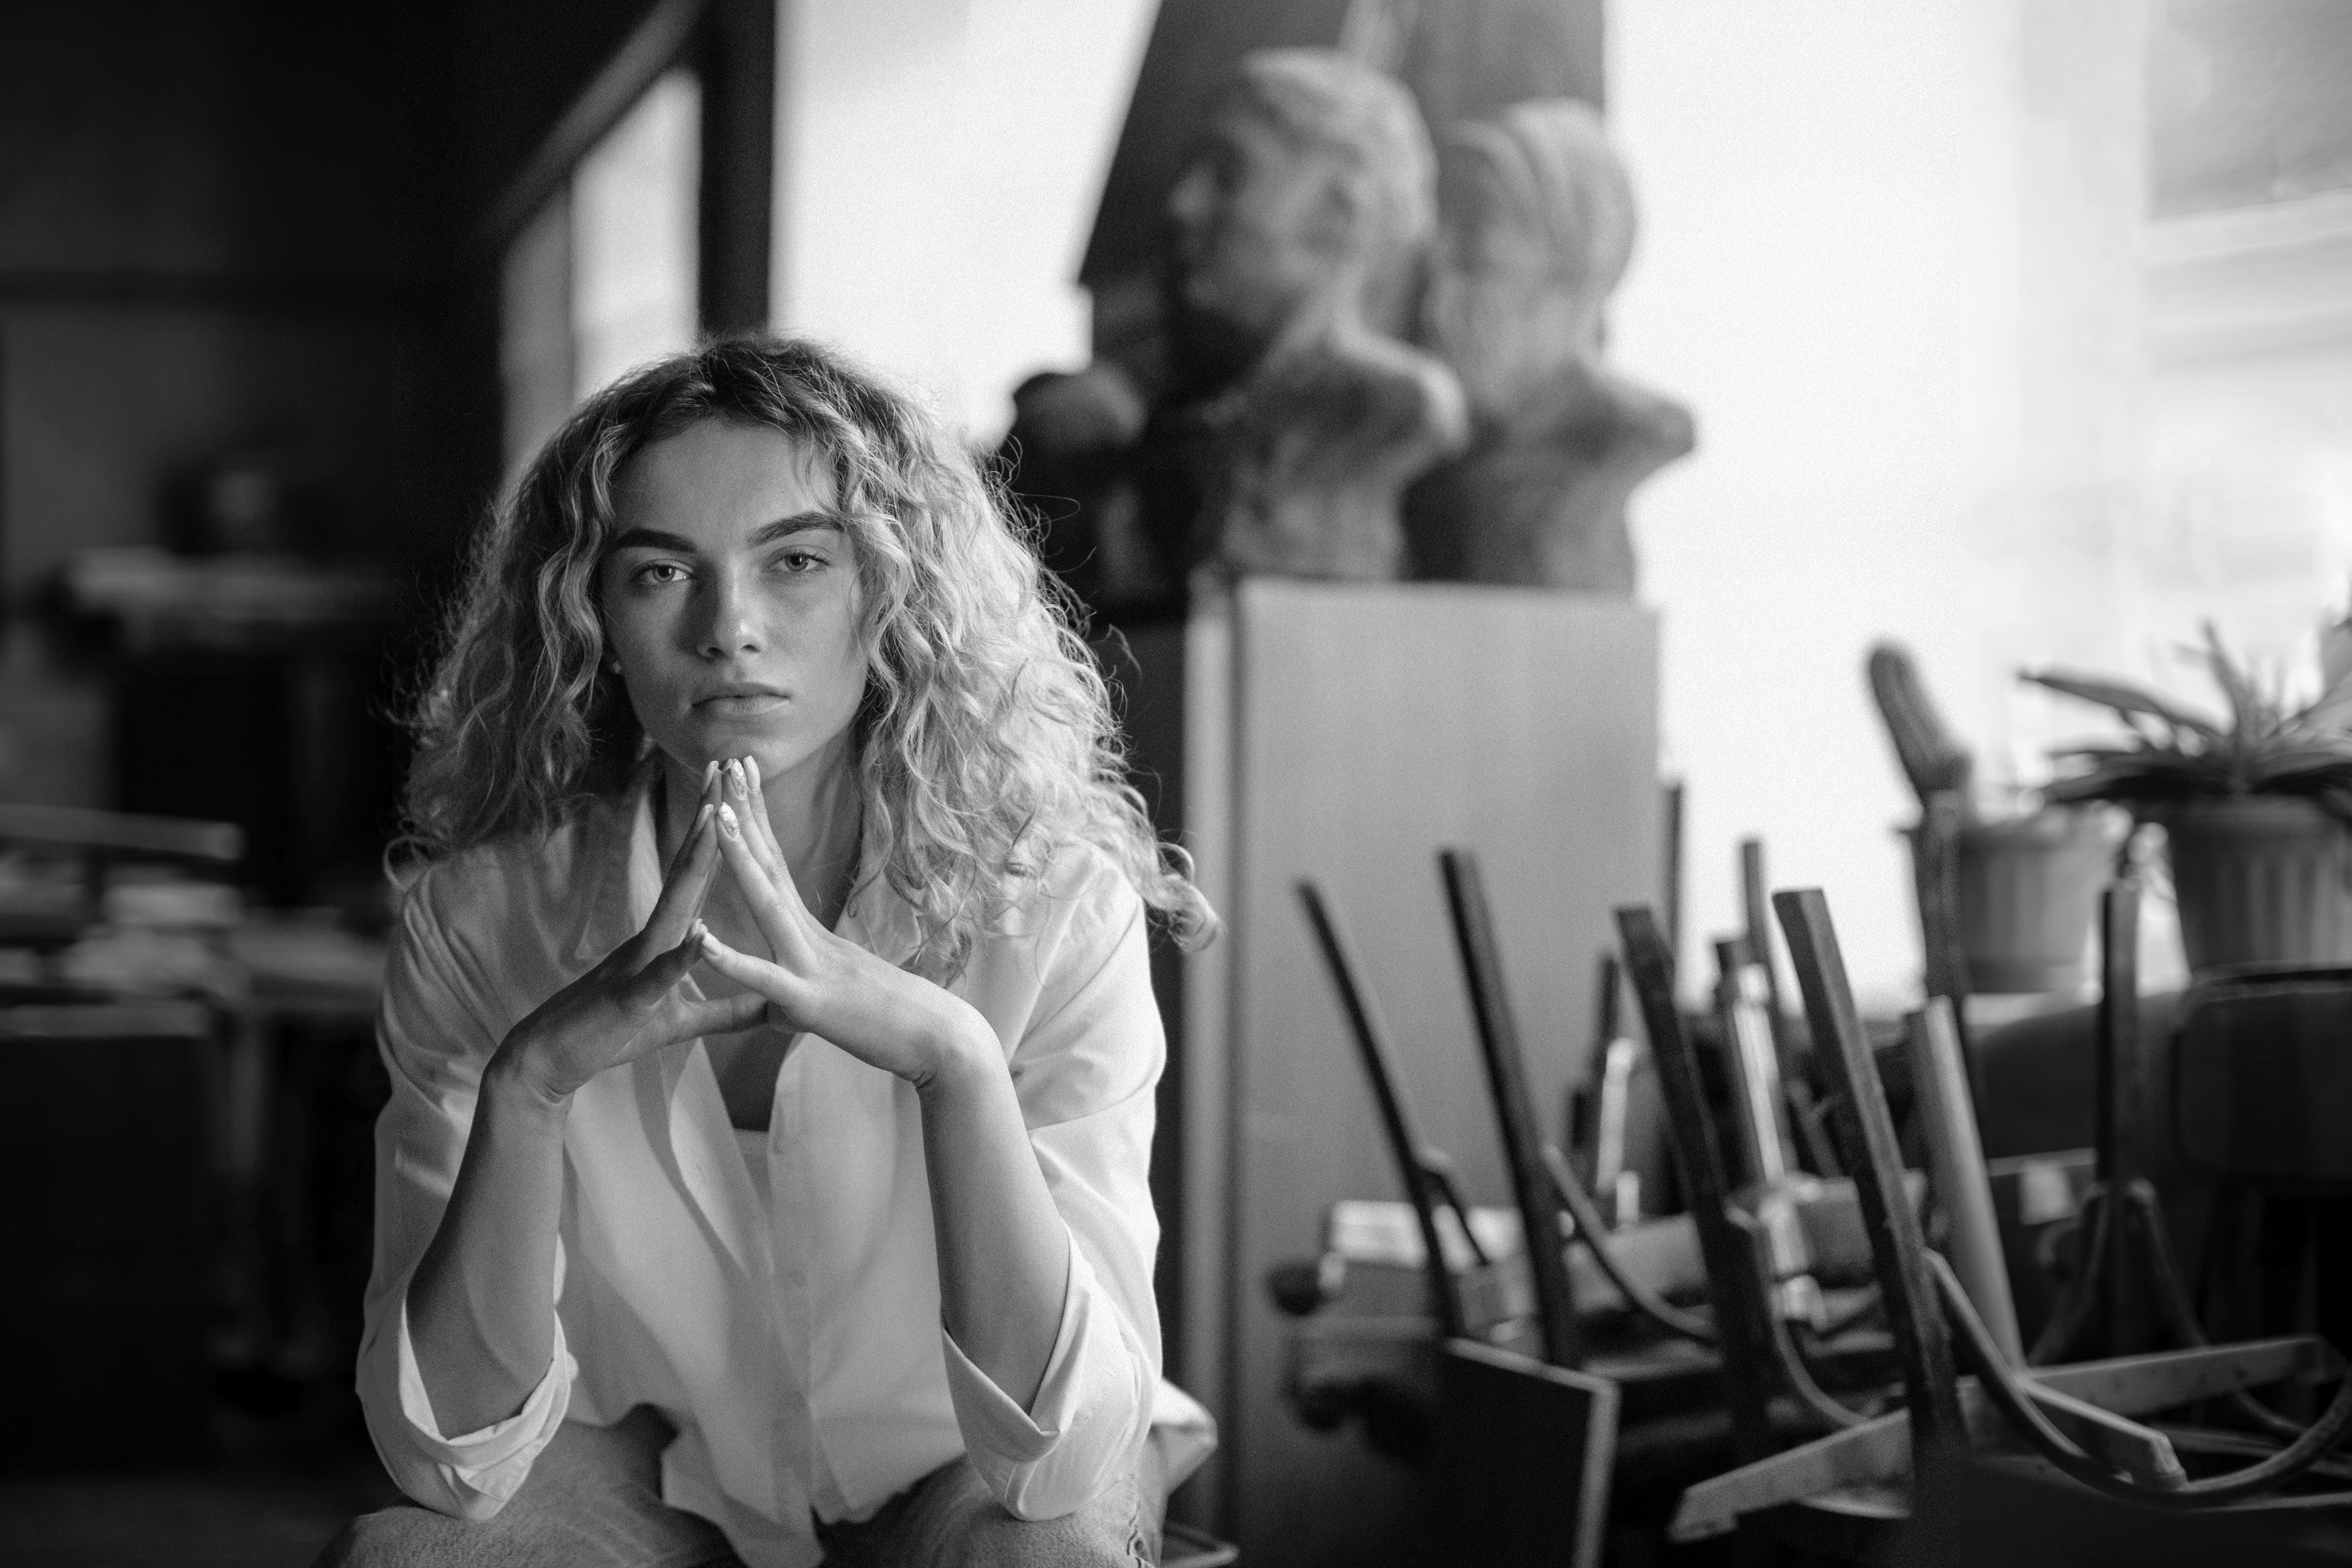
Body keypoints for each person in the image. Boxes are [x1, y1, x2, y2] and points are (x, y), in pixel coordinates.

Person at [319, 337, 1218, 1568]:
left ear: (890, 591)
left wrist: (953, 1058)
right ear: (592, 617)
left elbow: (1057, 1455)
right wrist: (532, 1082)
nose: (729, 628)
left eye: (795, 560)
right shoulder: (483, 920)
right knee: (407, 1557)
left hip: (959, 1458)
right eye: (658, 572)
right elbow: (444, 1455)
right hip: (647, 1455)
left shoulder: (1053, 906)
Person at [1158, 47, 1466, 583]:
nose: (1183, 204)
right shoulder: (1189, 414)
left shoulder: (1391, 410)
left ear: (1339, 217)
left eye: (1229, 174)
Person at [1405, 97, 1695, 592]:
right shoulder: (1432, 452)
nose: (1437, 304)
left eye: (1478, 266)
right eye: (1436, 269)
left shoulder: (1608, 439)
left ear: (1571, 280)